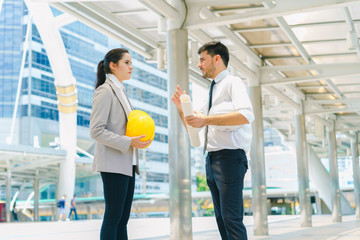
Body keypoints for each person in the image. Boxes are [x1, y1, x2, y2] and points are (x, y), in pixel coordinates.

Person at [171, 41, 254, 240]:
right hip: (212, 159)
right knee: (222, 220)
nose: (199, 64)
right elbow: (196, 135)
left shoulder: (232, 83)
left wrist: (205, 119)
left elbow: (246, 115)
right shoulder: (212, 90)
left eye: (202, 59)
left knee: (231, 219)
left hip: (230, 158)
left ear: (217, 59)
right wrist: (183, 111)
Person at [90, 48, 151, 240]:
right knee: (113, 217)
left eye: (131, 63)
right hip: (114, 163)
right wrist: (128, 141)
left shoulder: (121, 91)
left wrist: (136, 140)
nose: (131, 67)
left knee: (123, 219)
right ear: (113, 66)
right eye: (127, 63)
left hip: (128, 163)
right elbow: (96, 130)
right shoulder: (105, 91)